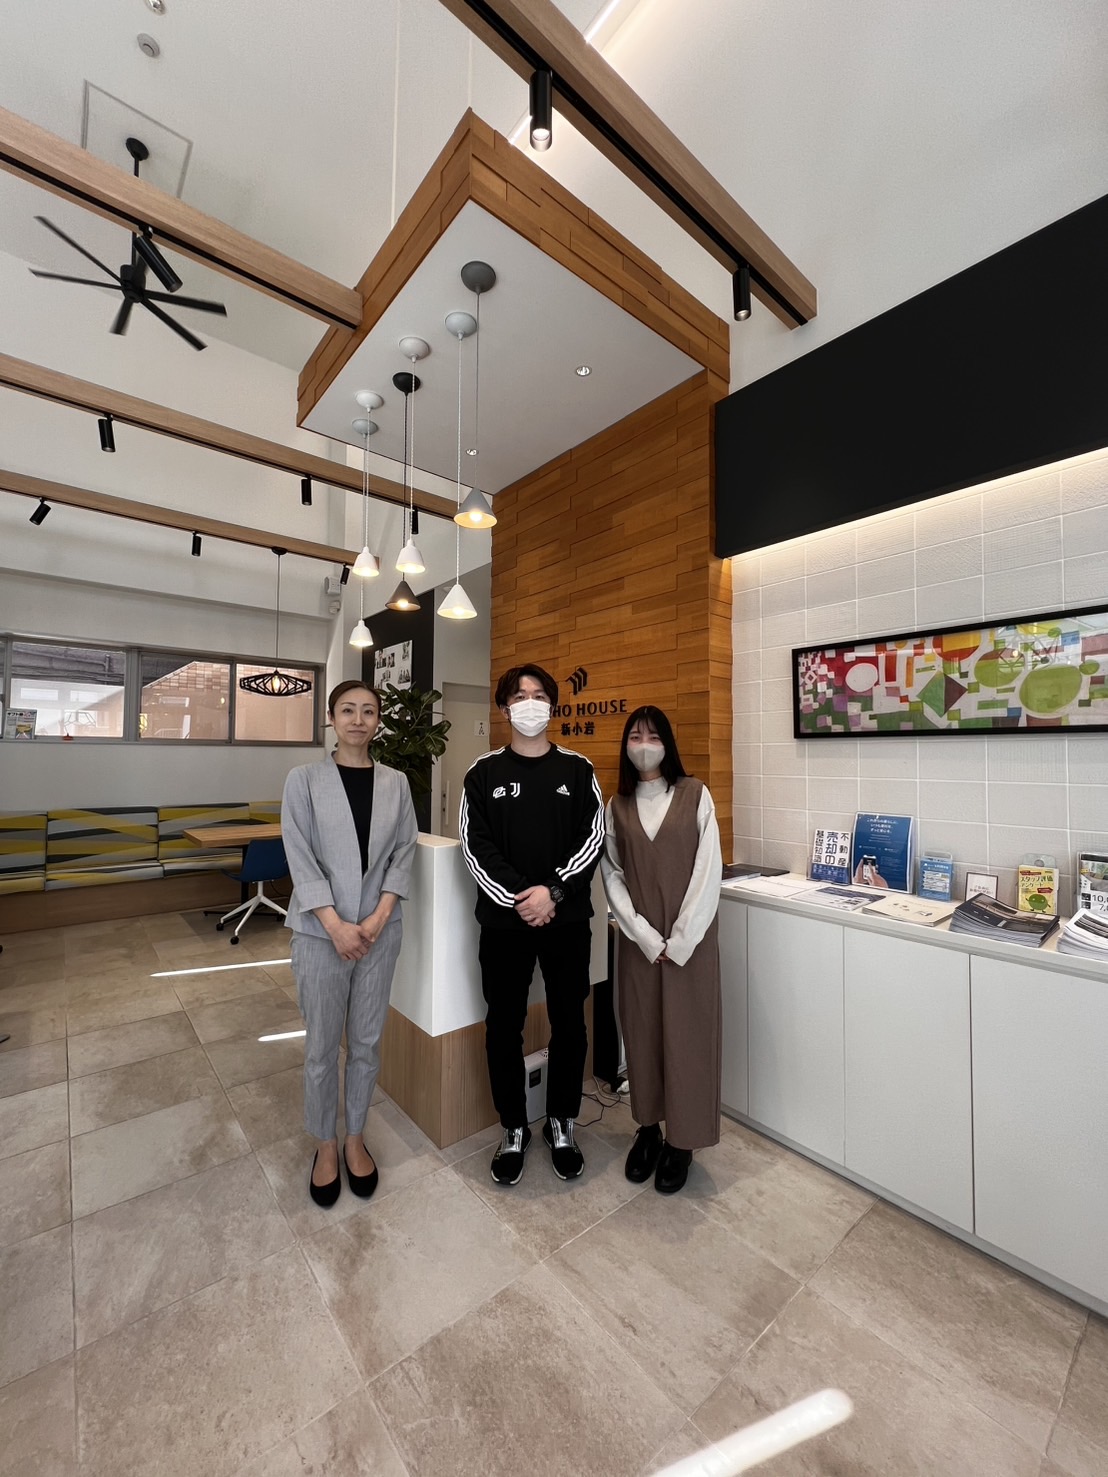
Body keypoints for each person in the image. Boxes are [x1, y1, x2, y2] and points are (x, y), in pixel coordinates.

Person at [459, 663, 604, 1186]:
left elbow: (593, 838)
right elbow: (475, 846)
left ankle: (562, 1121)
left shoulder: (578, 769)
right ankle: (514, 1127)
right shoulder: (483, 773)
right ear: (504, 709)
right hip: (504, 925)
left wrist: (553, 893)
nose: (530, 703)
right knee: (503, 1027)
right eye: (519, 696)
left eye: (539, 695)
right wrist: (520, 899)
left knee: (571, 1023)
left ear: (553, 706)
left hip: (567, 921)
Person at [282, 680, 418, 1207]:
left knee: (365, 1042)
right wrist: (335, 925)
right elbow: (299, 855)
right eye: (347, 710)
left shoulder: (396, 783)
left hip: (380, 933)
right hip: (321, 935)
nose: (358, 720)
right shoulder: (304, 780)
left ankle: (355, 1136)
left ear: (378, 720)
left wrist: (379, 916)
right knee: (321, 1047)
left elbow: (403, 852)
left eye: (368, 711)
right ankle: (325, 1143)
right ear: (331, 718)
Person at [601, 705, 722, 1194]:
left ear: (668, 743)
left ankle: (682, 1141)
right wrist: (646, 937)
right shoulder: (616, 806)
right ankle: (648, 1130)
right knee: (643, 1034)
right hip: (640, 945)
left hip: (691, 946)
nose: (644, 745)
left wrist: (682, 938)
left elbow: (709, 870)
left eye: (653, 736)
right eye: (635, 736)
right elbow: (611, 874)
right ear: (625, 746)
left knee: (690, 1040)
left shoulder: (695, 795)